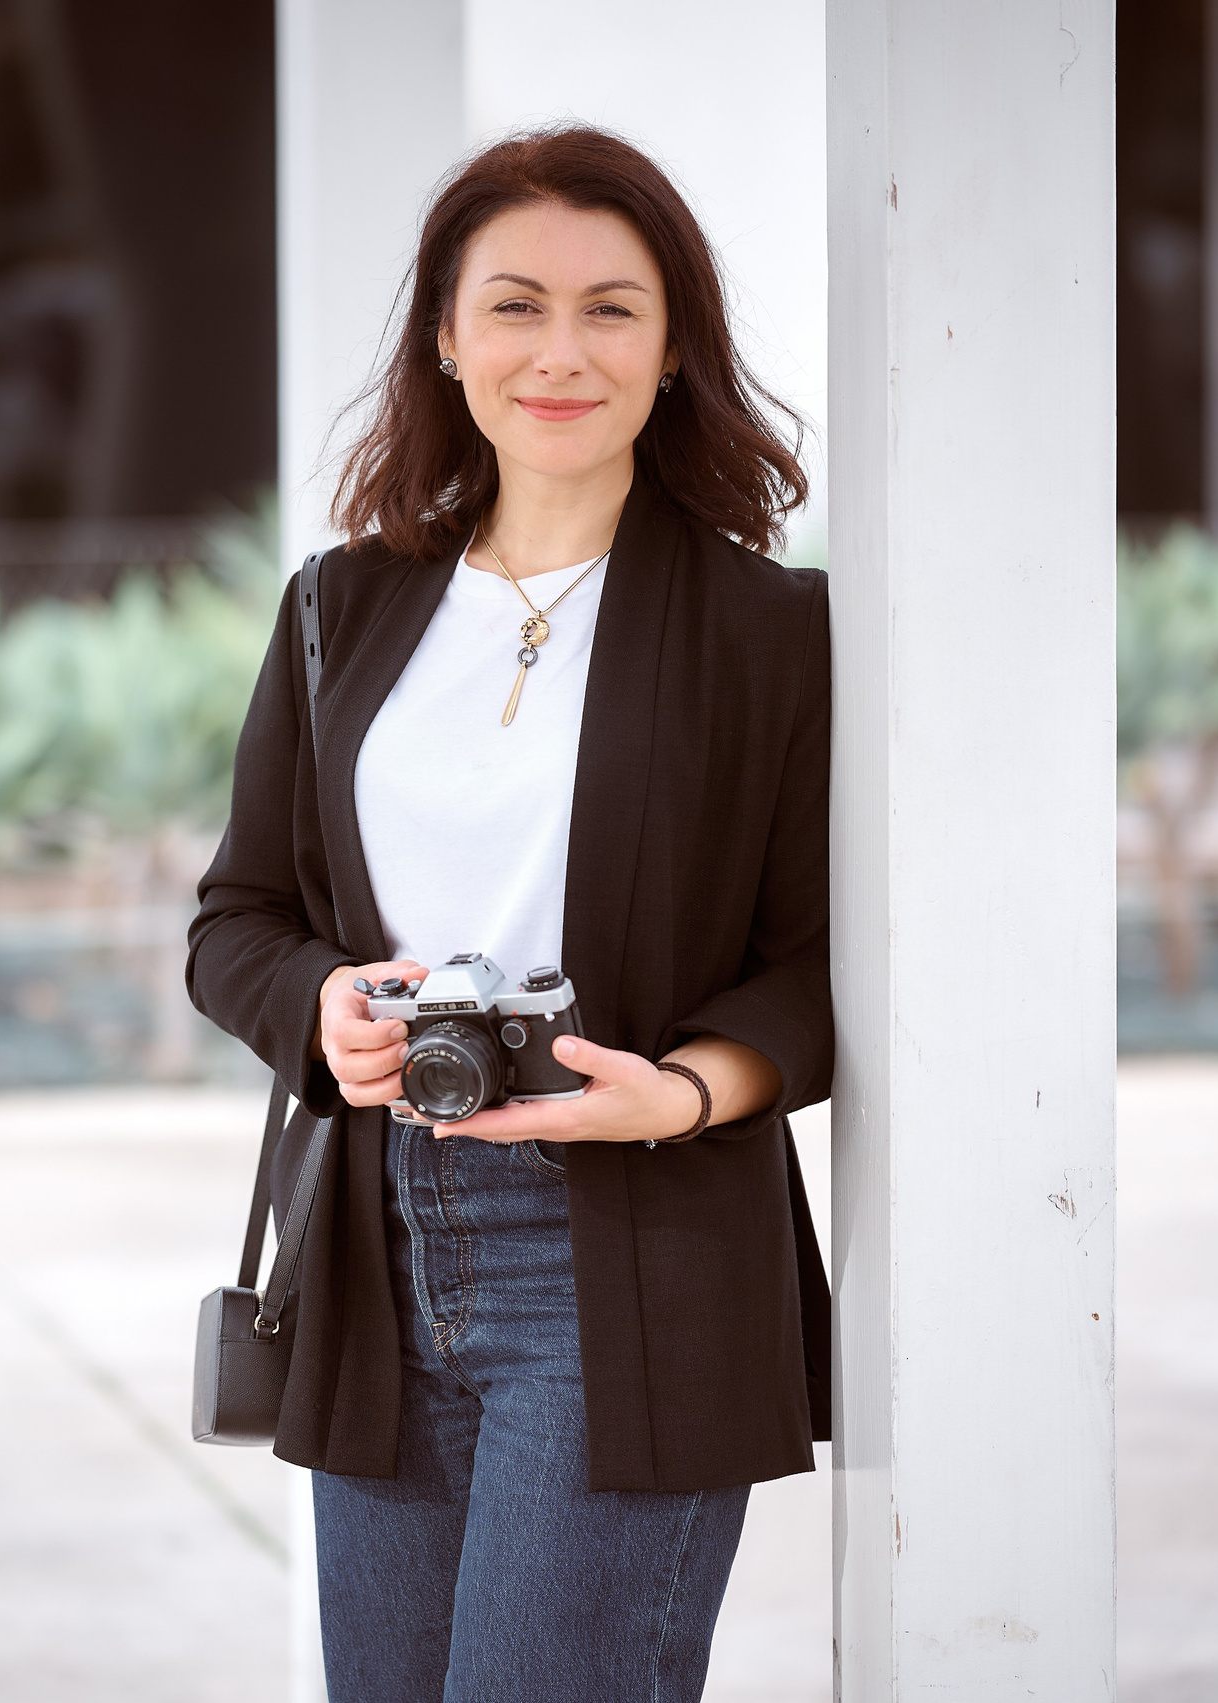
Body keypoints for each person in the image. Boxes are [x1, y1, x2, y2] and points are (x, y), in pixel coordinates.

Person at [188, 125, 831, 1703]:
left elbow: (824, 964)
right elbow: (238, 919)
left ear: (674, 345)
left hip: (634, 1250)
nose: (561, 350)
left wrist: (679, 1093)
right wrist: (322, 1009)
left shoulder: (770, 630)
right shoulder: (342, 607)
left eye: (612, 308)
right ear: (446, 337)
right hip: (372, 1248)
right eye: (516, 305)